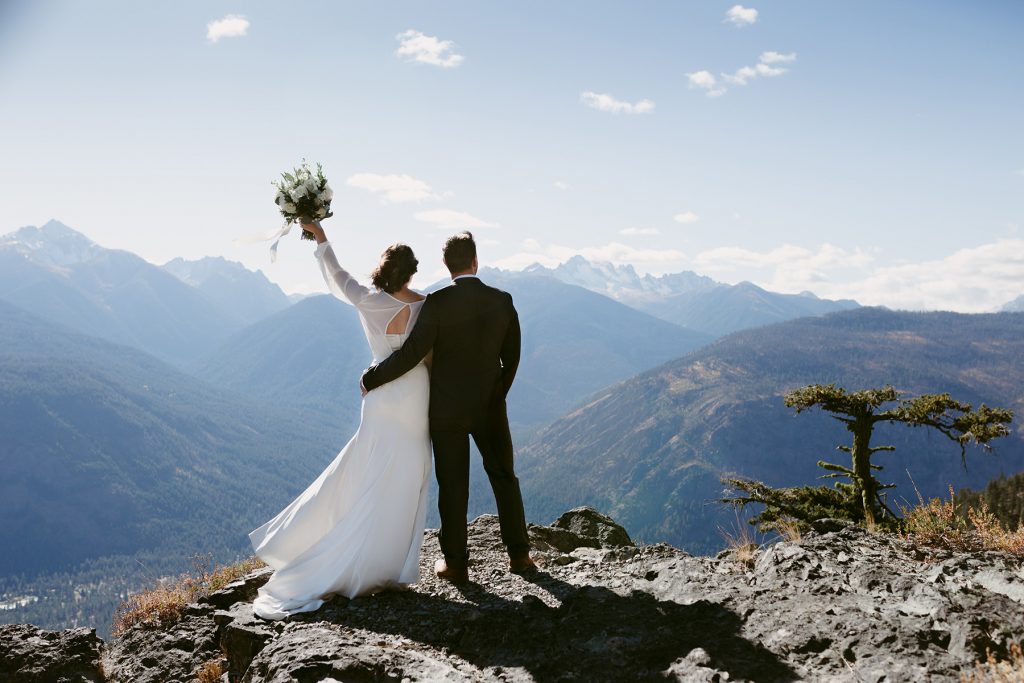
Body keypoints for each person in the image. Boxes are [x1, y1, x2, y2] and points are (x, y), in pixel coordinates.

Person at [248, 221, 432, 620]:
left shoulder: (368, 300)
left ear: (384, 270)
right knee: (407, 473)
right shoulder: (425, 305)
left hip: (381, 395)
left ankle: (344, 547)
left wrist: (320, 238)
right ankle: (390, 563)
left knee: (367, 470)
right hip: (416, 395)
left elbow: (336, 274)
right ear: (412, 271)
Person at [361, 231, 534, 583]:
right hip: (490, 407)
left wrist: (372, 378)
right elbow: (512, 356)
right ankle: (519, 557)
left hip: (446, 410)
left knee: (453, 485)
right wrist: (498, 392)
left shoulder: (437, 303)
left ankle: (456, 565)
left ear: (446, 265)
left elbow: (411, 354)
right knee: (504, 477)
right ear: (475, 261)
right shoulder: (502, 300)